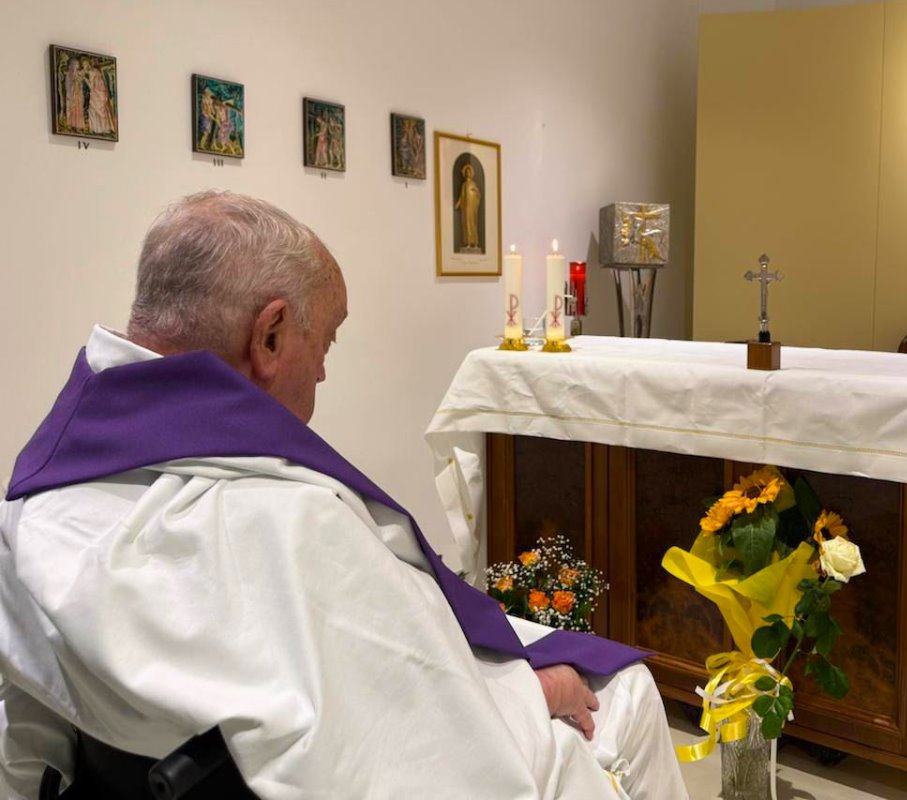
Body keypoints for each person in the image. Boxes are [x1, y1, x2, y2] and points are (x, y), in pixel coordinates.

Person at [0, 192, 687, 798]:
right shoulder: (290, 523)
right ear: (268, 336)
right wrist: (531, 692)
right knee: (626, 693)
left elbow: (33, 724)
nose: (324, 371)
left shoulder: (40, 498)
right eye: (324, 339)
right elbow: (410, 736)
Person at [456, 162, 482, 251]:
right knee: (466, 223)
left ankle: (474, 242)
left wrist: (475, 191)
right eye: (466, 172)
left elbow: (478, 195)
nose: (468, 173)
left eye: (469, 172)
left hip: (472, 206)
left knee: (472, 223)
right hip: (466, 207)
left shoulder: (473, 184)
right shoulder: (464, 185)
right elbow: (461, 196)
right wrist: (458, 203)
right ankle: (468, 242)